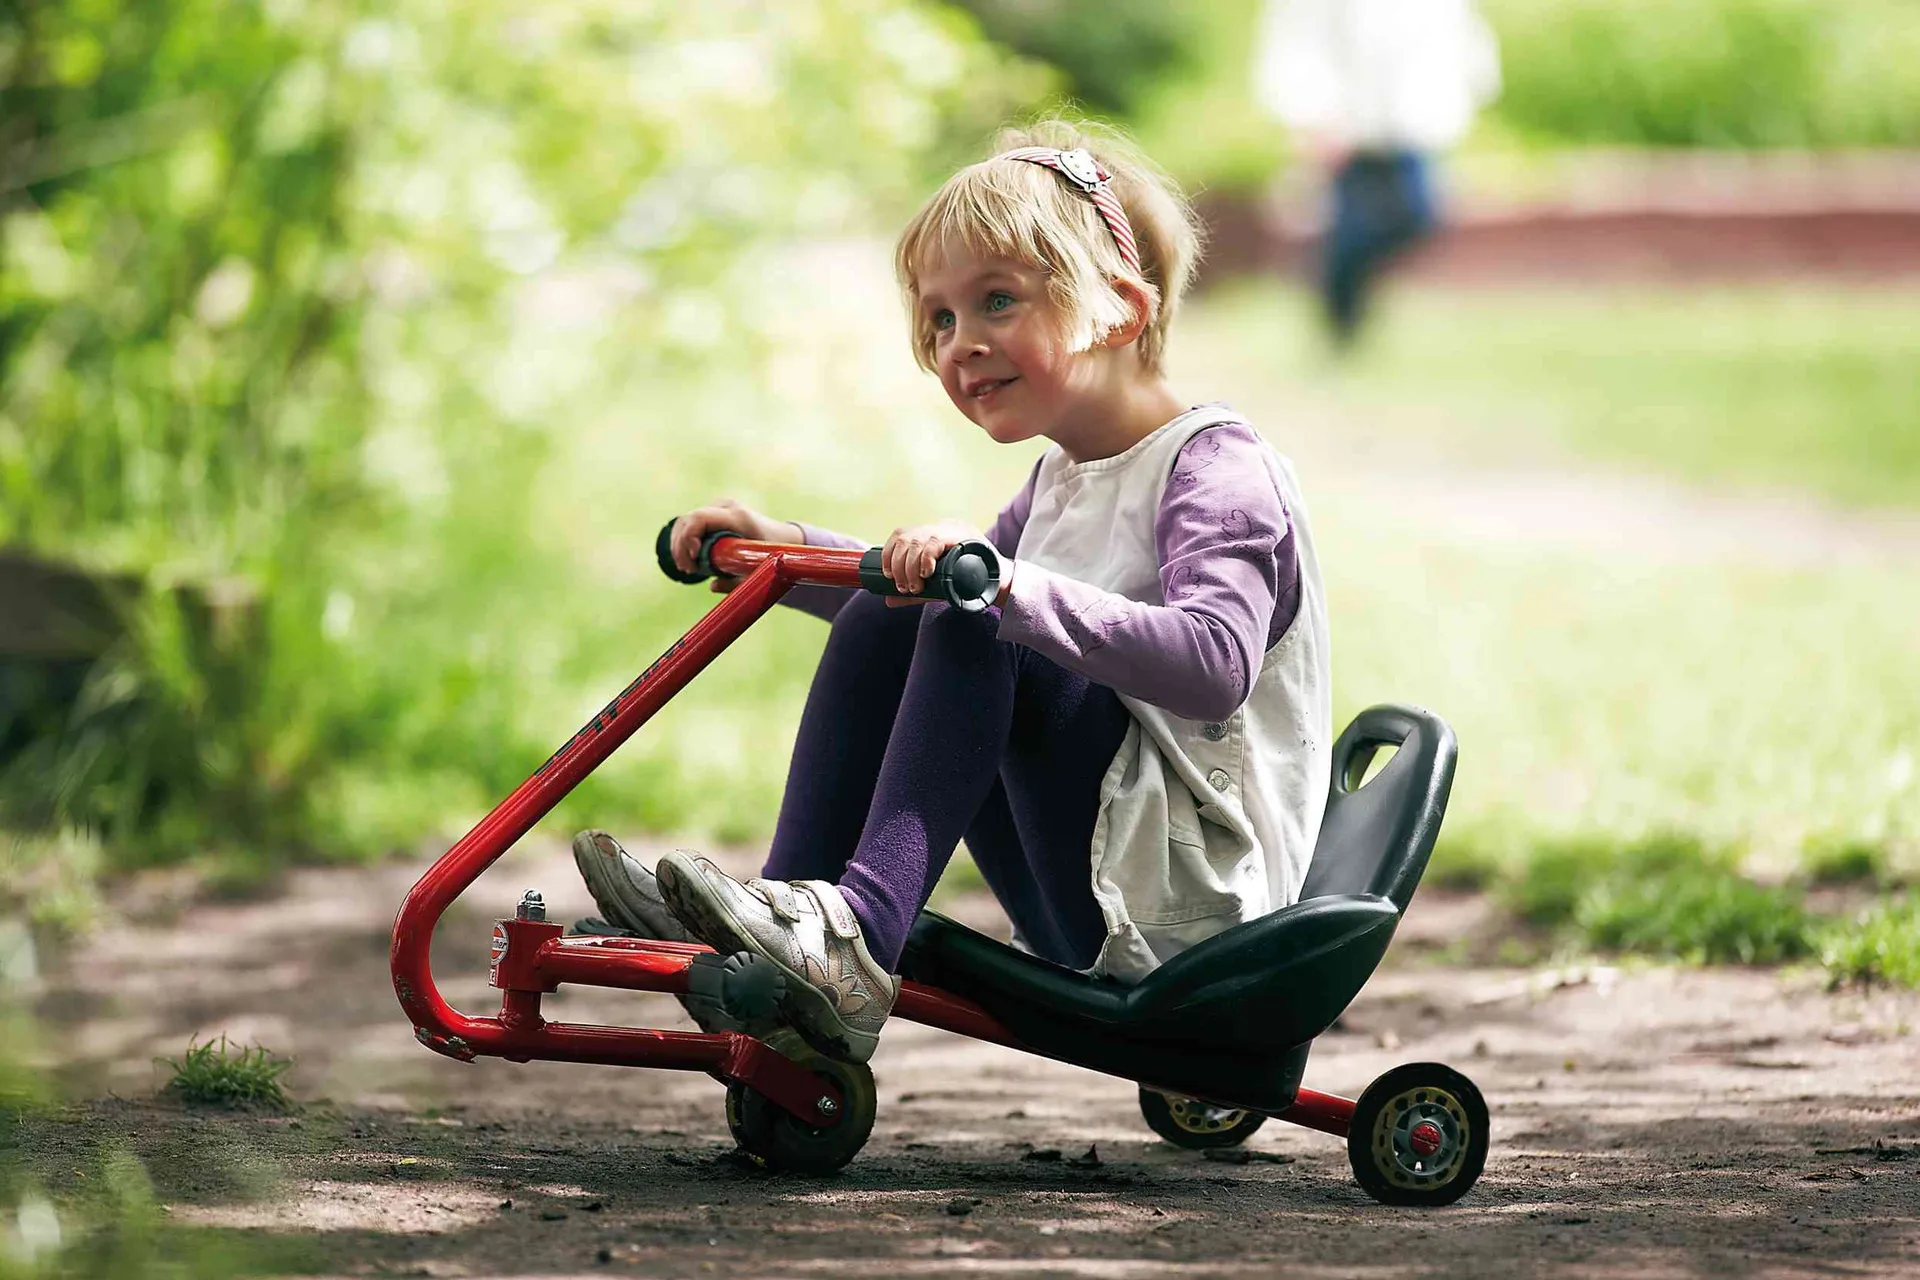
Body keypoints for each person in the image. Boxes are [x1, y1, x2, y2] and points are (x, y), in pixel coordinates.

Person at [574, 119, 1332, 1065]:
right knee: (930, 607)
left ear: (1120, 310)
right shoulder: (1067, 474)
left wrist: (1005, 592)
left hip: (1196, 905)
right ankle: (782, 923)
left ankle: (852, 941)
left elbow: (1215, 665)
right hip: (1096, 870)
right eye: (939, 319)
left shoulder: (1214, 471)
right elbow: (945, 601)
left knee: (984, 618)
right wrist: (785, 555)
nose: (959, 345)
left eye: (997, 301)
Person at [1253, 0, 1501, 347]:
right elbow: (1297, 41)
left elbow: (1456, 31)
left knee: (1418, 217)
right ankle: (1342, 327)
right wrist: (1313, 116)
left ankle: (1337, 287)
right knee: (1351, 229)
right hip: (1347, 132)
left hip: (1409, 127)